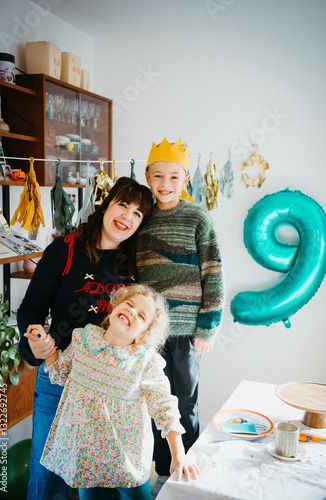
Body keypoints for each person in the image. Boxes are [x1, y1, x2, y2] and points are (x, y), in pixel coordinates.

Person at [17, 177, 153, 500]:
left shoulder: (134, 264)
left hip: (110, 388)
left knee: (92, 485)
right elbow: (31, 309)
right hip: (58, 377)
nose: (127, 217)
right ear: (107, 204)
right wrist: (34, 341)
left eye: (137, 214)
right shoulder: (64, 250)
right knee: (48, 478)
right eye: (123, 205)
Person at [24, 284, 200, 500]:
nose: (132, 311)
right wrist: (45, 346)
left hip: (129, 459)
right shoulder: (82, 340)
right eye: (129, 304)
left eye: (142, 316)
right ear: (114, 306)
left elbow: (164, 407)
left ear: (144, 334)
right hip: (87, 458)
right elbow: (61, 374)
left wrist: (178, 454)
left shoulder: (146, 361)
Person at [136, 138, 225, 496]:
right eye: (158, 176)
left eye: (174, 176)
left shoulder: (198, 218)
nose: (165, 183)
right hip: (149, 332)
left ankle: (185, 466)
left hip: (188, 332)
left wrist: (208, 326)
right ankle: (161, 471)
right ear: (147, 176)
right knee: (153, 401)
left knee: (185, 400)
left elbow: (214, 272)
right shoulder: (141, 218)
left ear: (185, 180)